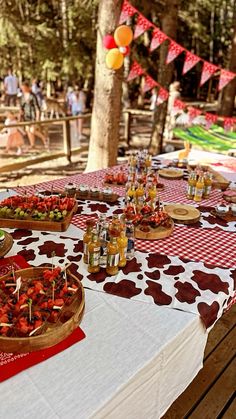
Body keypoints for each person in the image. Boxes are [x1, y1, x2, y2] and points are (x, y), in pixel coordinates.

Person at [20, 81, 48, 149]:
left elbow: (37, 107)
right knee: (28, 130)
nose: (23, 89)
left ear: (27, 87)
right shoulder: (22, 97)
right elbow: (21, 107)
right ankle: (32, 144)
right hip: (26, 116)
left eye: (24, 88)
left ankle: (44, 138)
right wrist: (20, 115)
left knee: (32, 130)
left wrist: (37, 117)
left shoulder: (33, 96)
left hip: (33, 115)